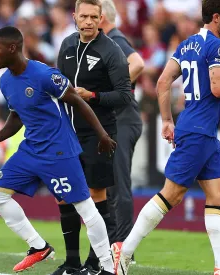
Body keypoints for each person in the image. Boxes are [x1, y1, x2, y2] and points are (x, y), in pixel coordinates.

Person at [112, 1, 220, 275]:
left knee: (219, 193)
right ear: (216, 17)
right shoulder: (218, 46)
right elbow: (218, 88)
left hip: (198, 129)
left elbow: (163, 81)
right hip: (199, 131)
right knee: (172, 194)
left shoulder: (187, 44)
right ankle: (125, 250)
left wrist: (167, 119)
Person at [0, 26, 117, 275]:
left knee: (85, 208)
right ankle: (38, 246)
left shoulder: (44, 75)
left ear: (12, 48)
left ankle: (109, 268)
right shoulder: (5, 81)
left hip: (58, 152)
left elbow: (77, 101)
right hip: (31, 150)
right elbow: (17, 115)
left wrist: (102, 134)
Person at [53, 0, 132, 274]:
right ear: (74, 16)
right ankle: (72, 263)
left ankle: (96, 262)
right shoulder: (66, 46)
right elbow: (57, 86)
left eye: (93, 17)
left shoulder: (112, 51)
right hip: (67, 134)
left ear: (101, 18)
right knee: (65, 196)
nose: (88, 21)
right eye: (83, 16)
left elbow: (124, 96)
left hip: (98, 134)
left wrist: (93, 96)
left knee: (96, 196)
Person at [98, 0, 145, 257]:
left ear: (101, 16)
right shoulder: (108, 41)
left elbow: (137, 63)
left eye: (92, 15)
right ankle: (116, 243)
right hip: (119, 119)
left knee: (119, 182)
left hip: (124, 117)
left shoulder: (115, 38)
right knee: (111, 183)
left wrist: (112, 90)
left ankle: (124, 247)